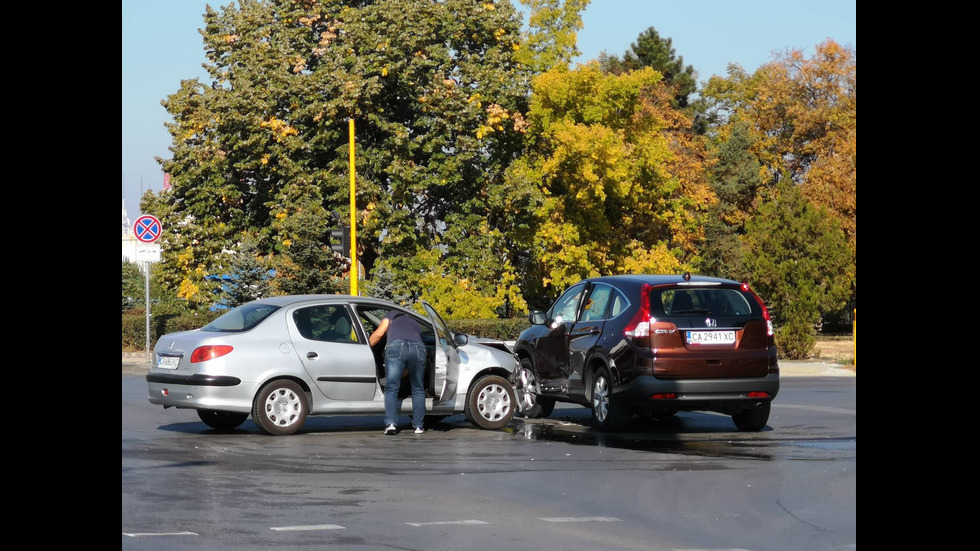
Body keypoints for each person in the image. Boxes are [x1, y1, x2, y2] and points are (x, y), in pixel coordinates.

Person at [369, 309, 427, 435]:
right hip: (418, 347)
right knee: (418, 388)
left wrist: (365, 347)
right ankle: (419, 427)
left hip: (397, 346)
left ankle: (391, 424)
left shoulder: (391, 315)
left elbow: (379, 334)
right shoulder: (415, 322)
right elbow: (407, 369)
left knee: (391, 387)